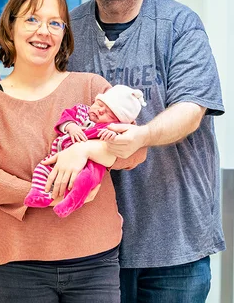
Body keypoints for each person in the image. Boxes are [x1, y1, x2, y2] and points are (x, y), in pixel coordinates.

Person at [68, 0, 225, 302]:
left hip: (175, 245)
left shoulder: (179, 25)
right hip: (93, 247)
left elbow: (191, 108)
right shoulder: (69, 31)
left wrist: (142, 136)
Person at [0, 0, 146, 303]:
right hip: (15, 265)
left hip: (94, 261)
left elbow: (135, 150)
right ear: (10, 27)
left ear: (64, 35)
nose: (43, 31)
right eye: (32, 19)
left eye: (55, 23)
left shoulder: (91, 88)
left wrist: (86, 149)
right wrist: (49, 194)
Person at [24, 85, 146, 218]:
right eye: (100, 105)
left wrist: (112, 136)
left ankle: (70, 202)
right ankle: (38, 194)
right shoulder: (81, 111)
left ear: (118, 122)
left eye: (109, 114)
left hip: (90, 164)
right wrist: (71, 127)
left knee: (85, 179)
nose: (100, 111)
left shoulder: (110, 127)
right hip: (58, 155)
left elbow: (127, 142)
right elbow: (66, 117)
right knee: (43, 168)